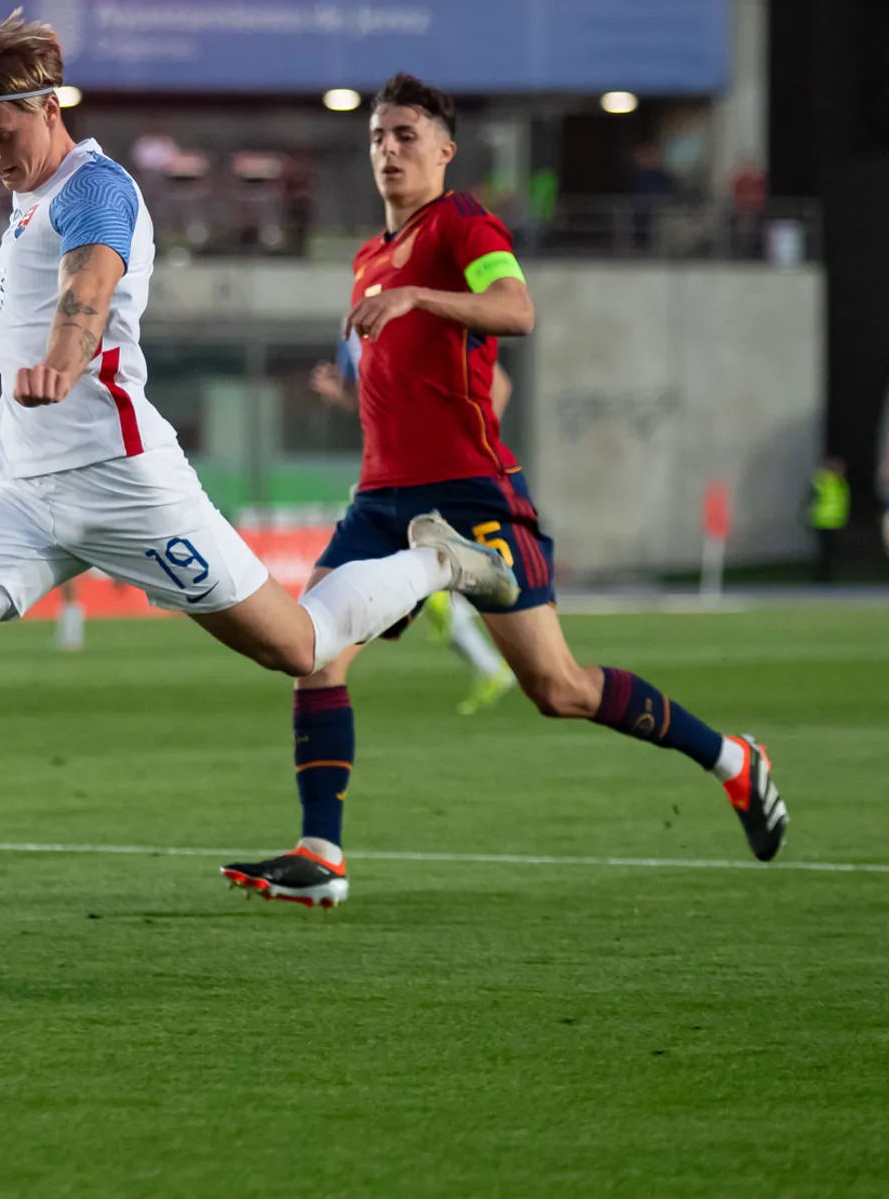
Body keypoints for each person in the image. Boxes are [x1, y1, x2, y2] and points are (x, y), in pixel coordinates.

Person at [0, 18, 518, 924]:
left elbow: (92, 281)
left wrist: (63, 355)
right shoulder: (28, 191)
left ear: (49, 108)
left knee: (303, 648)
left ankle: (438, 560)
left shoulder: (97, 188)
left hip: (124, 485)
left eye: (0, 137)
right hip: (29, 495)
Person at [223, 74, 787, 910]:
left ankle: (733, 760)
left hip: (471, 496)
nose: (388, 149)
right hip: (380, 501)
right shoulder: (367, 258)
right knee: (313, 654)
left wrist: (422, 296)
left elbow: (518, 310)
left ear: (445, 150)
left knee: (557, 689)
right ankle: (322, 855)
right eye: (378, 136)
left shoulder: (463, 224)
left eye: (407, 135)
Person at [311, 334, 517, 715]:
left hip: (433, 476)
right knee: (316, 640)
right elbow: (367, 405)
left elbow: (498, 383)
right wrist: (337, 394)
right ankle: (485, 659)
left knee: (555, 680)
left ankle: (448, 591)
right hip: (388, 479)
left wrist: (478, 447)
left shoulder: (418, 305)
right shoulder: (354, 324)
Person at [806, 456, 849, 584]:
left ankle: (827, 576)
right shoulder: (824, 481)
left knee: (831, 553)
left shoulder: (840, 483)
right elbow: (813, 496)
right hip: (822, 521)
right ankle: (820, 577)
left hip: (835, 522)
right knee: (823, 553)